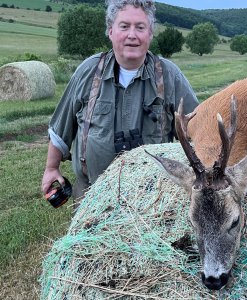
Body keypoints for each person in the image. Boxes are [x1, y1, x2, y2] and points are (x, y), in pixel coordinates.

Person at [41, 0, 199, 207]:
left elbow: (197, 128)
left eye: (140, 27)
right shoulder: (87, 71)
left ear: (150, 34)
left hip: (152, 198)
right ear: (110, 31)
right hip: (91, 196)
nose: (132, 35)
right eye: (124, 26)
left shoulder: (169, 75)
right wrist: (51, 168)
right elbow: (60, 129)